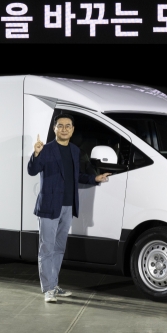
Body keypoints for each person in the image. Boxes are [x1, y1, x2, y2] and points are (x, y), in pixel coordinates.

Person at [27, 113, 111, 303]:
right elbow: (32, 170)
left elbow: (77, 176)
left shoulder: (74, 150)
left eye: (68, 126)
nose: (64, 129)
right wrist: (36, 154)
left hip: (67, 206)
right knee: (46, 249)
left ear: (72, 130)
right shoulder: (46, 149)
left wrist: (94, 179)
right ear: (55, 129)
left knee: (58, 248)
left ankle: (54, 285)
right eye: (60, 126)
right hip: (49, 207)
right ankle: (48, 289)